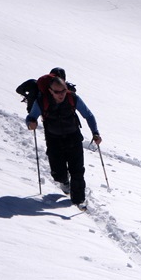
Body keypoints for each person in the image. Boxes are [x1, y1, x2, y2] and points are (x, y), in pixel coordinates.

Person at [26, 75, 102, 209]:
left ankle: (78, 200)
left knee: (77, 171)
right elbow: (31, 117)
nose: (61, 95)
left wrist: (95, 132)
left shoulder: (73, 98)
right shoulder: (41, 101)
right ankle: (64, 181)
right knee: (58, 173)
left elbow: (88, 115)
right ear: (50, 91)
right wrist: (31, 123)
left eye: (63, 91)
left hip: (73, 138)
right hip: (53, 140)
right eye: (57, 92)